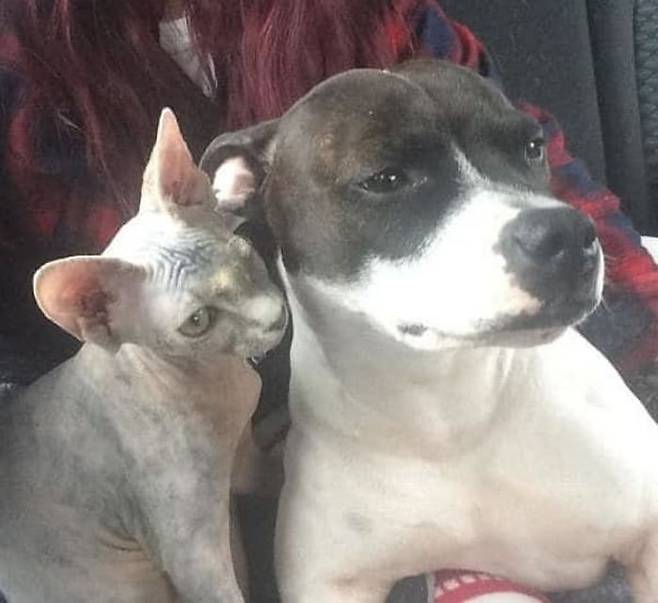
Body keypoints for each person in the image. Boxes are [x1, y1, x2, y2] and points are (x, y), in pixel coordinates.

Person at [0, 1, 655, 601]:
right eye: (387, 174)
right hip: (197, 455)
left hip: (458, 395)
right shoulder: (21, 63)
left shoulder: (378, 14)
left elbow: (540, 188)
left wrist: (643, 345)